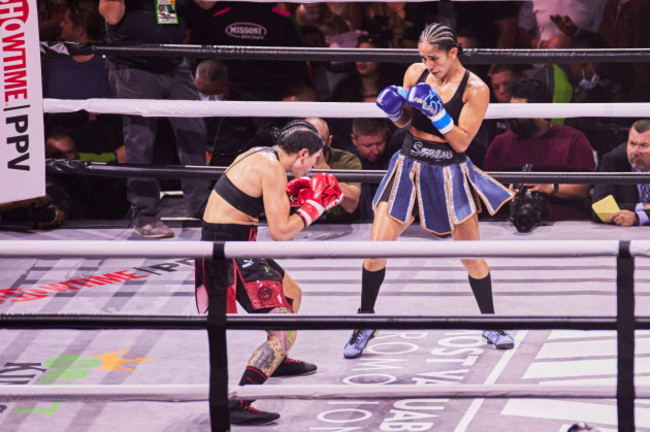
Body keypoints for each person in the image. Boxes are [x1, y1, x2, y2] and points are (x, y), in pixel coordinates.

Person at [343, 22, 516, 360]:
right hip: (409, 164)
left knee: (471, 256)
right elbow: (406, 121)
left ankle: (491, 323)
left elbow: (463, 141)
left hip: (449, 170)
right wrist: (394, 112)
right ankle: (365, 321)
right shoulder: (415, 72)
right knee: (375, 251)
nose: (428, 65)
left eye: (434, 58)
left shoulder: (476, 89)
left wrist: (438, 113)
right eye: (423, 57)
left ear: (454, 52)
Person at [195, 120, 343, 425]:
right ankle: (240, 400)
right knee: (283, 330)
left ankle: (278, 360)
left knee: (292, 293)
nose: (313, 168)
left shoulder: (260, 154)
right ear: (302, 154)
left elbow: (251, 196)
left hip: (230, 241)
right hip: (230, 249)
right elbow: (281, 232)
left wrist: (291, 192)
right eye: (314, 161)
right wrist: (315, 207)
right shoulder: (273, 169)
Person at [99, 0, 212, 239]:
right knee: (140, 139)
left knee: (194, 129)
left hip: (173, 61)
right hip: (134, 64)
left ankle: (202, 207)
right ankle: (145, 216)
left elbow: (207, 4)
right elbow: (111, 16)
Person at [484, 79, 596, 222]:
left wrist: (549, 187)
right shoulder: (500, 144)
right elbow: (485, 190)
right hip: (512, 224)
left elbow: (582, 189)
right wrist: (506, 192)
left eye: (518, 111)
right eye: (510, 109)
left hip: (564, 224)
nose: (513, 116)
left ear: (538, 112)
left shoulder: (573, 140)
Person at [592, 119, 650, 227]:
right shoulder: (613, 160)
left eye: (643, 145)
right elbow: (599, 206)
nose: (635, 152)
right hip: (622, 233)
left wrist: (638, 217)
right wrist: (644, 207)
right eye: (632, 143)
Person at [307, 117, 362, 222]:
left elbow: (352, 205)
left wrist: (324, 171)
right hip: (300, 226)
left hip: (340, 225)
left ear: (329, 141)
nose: (313, 145)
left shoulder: (347, 160)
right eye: (308, 139)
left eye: (320, 140)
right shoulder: (290, 160)